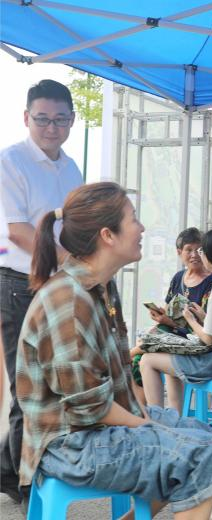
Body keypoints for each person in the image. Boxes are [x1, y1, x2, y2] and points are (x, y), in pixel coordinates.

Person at [15, 182, 212, 519]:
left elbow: (116, 372)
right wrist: (146, 425)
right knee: (201, 455)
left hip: (99, 424)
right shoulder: (69, 301)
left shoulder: (102, 286)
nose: (142, 228)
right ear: (108, 235)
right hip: (70, 444)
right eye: (133, 219)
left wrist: (144, 417)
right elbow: (89, 408)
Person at [0, 79, 83, 504]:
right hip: (20, 284)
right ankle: (25, 485)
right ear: (26, 118)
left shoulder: (71, 167)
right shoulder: (10, 161)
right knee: (27, 386)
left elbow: (73, 226)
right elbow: (17, 231)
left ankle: (8, 468)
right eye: (43, 119)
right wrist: (69, 264)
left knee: (52, 382)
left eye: (60, 120)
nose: (52, 128)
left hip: (57, 284)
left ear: (72, 120)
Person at [140, 229, 212, 412]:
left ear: (211, 256)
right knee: (170, 357)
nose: (197, 255)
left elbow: (210, 339)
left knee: (147, 361)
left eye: (201, 250)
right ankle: (175, 416)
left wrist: (191, 319)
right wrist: (204, 317)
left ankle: (157, 420)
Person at [129, 227, 212, 386]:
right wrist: (160, 315)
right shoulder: (178, 278)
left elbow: (208, 326)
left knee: (140, 354)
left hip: (196, 338)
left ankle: (127, 356)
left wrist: (168, 322)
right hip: (173, 331)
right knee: (140, 357)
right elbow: (168, 309)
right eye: (189, 250)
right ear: (179, 252)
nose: (194, 255)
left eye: (199, 250)